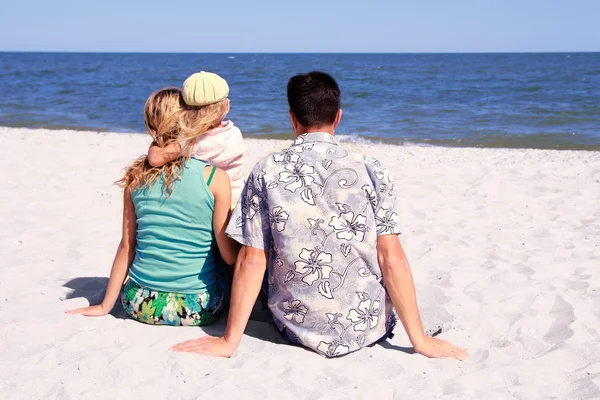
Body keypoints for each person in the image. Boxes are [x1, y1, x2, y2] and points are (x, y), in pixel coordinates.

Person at [172, 72, 468, 360]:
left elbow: (252, 259)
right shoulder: (371, 169)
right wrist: (420, 340)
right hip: (364, 328)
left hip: (295, 327)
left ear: (292, 118)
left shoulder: (267, 169)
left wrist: (228, 341)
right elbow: (390, 257)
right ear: (338, 117)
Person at [67, 87, 239, 328]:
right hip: (197, 308)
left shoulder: (135, 177)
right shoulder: (214, 178)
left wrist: (106, 305)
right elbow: (229, 256)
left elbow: (127, 246)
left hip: (138, 303)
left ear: (151, 125)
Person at [147, 71, 245, 208]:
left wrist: (158, 139)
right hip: (238, 199)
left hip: (214, 205)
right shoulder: (233, 132)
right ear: (224, 106)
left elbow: (155, 159)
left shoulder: (193, 142)